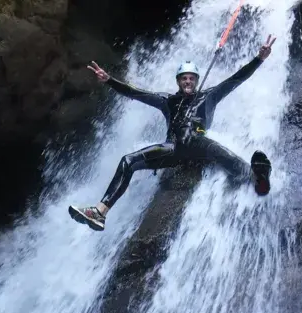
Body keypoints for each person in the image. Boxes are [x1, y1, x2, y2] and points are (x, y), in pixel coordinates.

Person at [69, 35, 277, 231]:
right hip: (173, 149)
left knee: (215, 150)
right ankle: (100, 212)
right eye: (183, 78)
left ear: (196, 80)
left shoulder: (210, 95)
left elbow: (236, 79)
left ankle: (257, 180)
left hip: (199, 144)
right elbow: (136, 93)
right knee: (127, 161)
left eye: (191, 78)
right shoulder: (167, 101)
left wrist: (259, 59)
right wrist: (109, 80)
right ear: (178, 81)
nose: (187, 81)